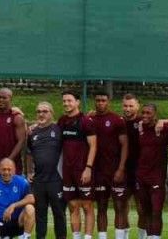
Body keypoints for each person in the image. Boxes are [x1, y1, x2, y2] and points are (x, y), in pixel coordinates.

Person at [89, 91, 128, 239]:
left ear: (108, 102)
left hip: (115, 170)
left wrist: (121, 168)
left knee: (119, 206)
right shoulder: (90, 119)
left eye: (103, 100)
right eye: (98, 100)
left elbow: (125, 145)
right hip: (99, 172)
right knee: (101, 207)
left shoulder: (117, 120)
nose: (100, 103)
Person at [59, 92, 97, 239]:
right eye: (64, 101)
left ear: (77, 102)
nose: (66, 103)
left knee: (87, 206)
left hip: (82, 170)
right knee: (73, 206)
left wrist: (88, 168)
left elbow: (93, 146)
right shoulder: (62, 121)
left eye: (69, 100)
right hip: (67, 171)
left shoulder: (86, 121)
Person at [25, 102, 67, 239]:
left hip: (56, 179)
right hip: (39, 181)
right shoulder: (32, 132)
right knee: (40, 215)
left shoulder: (59, 129)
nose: (41, 114)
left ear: (51, 113)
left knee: (59, 214)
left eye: (45, 111)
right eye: (38, 111)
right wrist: (29, 171)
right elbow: (29, 153)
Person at [133, 104, 167, 239]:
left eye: (149, 113)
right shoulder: (140, 127)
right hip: (141, 176)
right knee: (145, 211)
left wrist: (163, 121)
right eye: (143, 113)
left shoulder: (164, 127)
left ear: (155, 114)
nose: (145, 115)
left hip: (157, 177)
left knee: (156, 211)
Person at [0, 158, 34, 239]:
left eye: (9, 169)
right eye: (3, 169)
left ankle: (25, 237)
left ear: (14, 171)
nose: (6, 172)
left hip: (19, 222)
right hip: (1, 221)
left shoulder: (22, 182)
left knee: (30, 208)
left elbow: (31, 199)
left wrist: (13, 206)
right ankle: (4, 236)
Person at [121, 94, 146, 239]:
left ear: (138, 106)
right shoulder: (119, 122)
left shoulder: (144, 122)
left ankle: (142, 236)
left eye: (131, 106)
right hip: (123, 171)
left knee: (142, 209)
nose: (128, 108)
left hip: (140, 172)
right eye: (125, 105)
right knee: (122, 206)